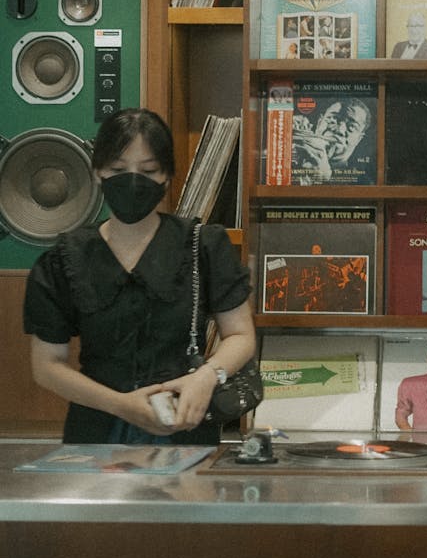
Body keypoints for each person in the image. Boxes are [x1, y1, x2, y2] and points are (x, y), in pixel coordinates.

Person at [23, 108, 256, 446]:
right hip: (95, 432)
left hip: (184, 426)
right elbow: (46, 366)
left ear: (166, 175)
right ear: (98, 171)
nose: (132, 181)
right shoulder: (63, 259)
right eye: (118, 170)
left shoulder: (203, 245)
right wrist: (121, 405)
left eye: (148, 170)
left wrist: (207, 377)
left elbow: (240, 335)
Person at [291, 97, 372, 182]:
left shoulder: (363, 181)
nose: (340, 130)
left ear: (359, 139)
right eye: (333, 119)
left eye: (351, 127)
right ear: (319, 122)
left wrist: (322, 179)